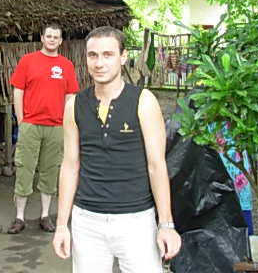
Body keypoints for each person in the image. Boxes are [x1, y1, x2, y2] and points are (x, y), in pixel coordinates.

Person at [53, 26, 181, 272]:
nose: (99, 63)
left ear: (123, 57)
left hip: (136, 219)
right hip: (86, 220)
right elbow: (70, 165)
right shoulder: (74, 105)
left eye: (108, 54)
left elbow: (156, 165)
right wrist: (61, 225)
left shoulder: (143, 101)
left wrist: (166, 224)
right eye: (93, 55)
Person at [7, 24, 79, 234]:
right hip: (31, 124)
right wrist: (21, 119)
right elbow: (18, 91)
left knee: (50, 170)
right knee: (24, 168)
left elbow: (70, 96)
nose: (52, 39)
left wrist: (66, 123)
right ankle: (20, 217)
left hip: (56, 126)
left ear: (61, 41)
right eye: (49, 36)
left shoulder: (66, 65)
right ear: (42, 38)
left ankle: (45, 215)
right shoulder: (28, 61)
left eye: (56, 37)